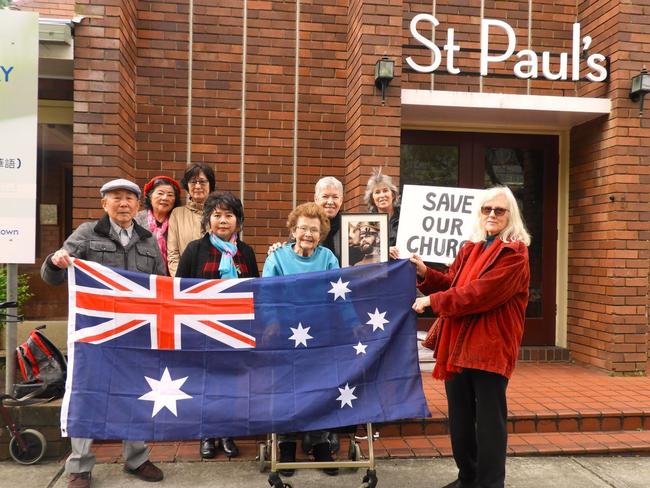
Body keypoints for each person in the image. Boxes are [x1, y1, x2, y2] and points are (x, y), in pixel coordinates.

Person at [40, 178, 165, 488]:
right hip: (94, 333)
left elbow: (161, 284)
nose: (123, 204)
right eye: (116, 198)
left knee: (136, 392)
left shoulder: (148, 240)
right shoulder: (86, 233)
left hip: (135, 333)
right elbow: (52, 274)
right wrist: (56, 262)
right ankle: (80, 466)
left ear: (138, 206)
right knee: (87, 392)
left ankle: (136, 457)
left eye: (129, 199)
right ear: (104, 203)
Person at [411, 186, 531, 488]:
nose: (492, 214)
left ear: (510, 215)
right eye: (486, 209)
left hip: (490, 347)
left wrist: (433, 302)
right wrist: (425, 272)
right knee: (461, 420)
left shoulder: (514, 253)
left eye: (499, 210)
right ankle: (468, 478)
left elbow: (479, 294)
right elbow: (453, 282)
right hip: (457, 344)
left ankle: (490, 484)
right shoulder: (471, 248)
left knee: (489, 423)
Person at [176, 191, 259, 459]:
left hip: (236, 329)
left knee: (231, 383)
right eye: (217, 215)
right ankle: (207, 434)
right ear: (208, 220)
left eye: (229, 215)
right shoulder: (195, 250)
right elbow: (179, 290)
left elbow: (255, 291)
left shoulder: (245, 252)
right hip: (202, 328)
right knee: (206, 382)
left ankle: (227, 432)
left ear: (238, 221)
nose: (223, 220)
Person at [262, 202, 339, 476]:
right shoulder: (278, 257)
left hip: (318, 334)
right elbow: (267, 294)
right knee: (286, 388)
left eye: (314, 230)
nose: (308, 234)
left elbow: (339, 294)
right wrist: (271, 322)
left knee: (319, 387)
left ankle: (319, 444)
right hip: (284, 335)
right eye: (303, 228)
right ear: (293, 230)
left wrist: (351, 325)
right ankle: (286, 444)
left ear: (322, 233)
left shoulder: (329, 257)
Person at [268, 176, 346, 263]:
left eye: (335, 197)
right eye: (325, 196)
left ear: (341, 200)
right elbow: (290, 258)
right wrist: (277, 254)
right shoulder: (302, 226)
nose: (330, 202)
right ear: (316, 199)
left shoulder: (348, 227)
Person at [167, 163, 216, 276]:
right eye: (193, 182)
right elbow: (173, 254)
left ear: (210, 185)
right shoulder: (177, 214)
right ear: (187, 186)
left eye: (202, 182)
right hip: (185, 283)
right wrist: (181, 281)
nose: (197, 186)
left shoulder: (219, 213)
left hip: (214, 282)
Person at [135, 175, 181, 274]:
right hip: (142, 276)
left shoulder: (178, 221)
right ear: (150, 196)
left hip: (171, 278)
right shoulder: (136, 220)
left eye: (170, 195)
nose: (165, 198)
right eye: (160, 193)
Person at [363, 168, 401, 258]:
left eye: (385, 190)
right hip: (379, 269)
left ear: (393, 194)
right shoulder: (366, 223)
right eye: (377, 192)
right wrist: (383, 251)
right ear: (372, 198)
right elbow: (362, 248)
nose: (382, 195)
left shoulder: (406, 217)